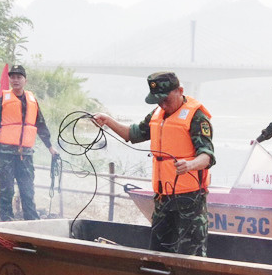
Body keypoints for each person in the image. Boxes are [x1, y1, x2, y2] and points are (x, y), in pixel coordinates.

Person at [92, 72, 215, 256]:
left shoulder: (196, 117)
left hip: (190, 202)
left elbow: (207, 156)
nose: (162, 105)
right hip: (163, 200)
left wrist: (190, 165)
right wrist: (108, 120)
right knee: (157, 254)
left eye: (165, 99)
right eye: (158, 101)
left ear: (180, 91)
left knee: (191, 256)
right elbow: (132, 134)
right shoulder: (158, 114)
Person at [0, 65, 58, 221]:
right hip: (6, 153)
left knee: (27, 190)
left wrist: (50, 147)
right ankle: (6, 221)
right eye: (12, 77)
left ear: (25, 80)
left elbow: (41, 125)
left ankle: (32, 221)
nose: (15, 80)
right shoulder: (2, 100)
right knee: (7, 190)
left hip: (26, 154)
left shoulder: (32, 101)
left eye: (19, 77)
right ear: (9, 79)